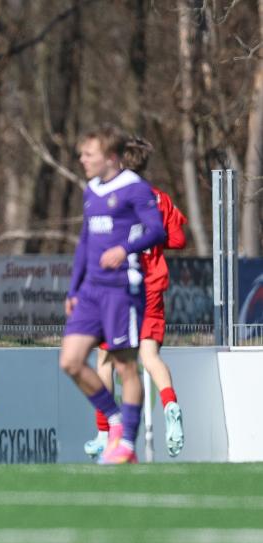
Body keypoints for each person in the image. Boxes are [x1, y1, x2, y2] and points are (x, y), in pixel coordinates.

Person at [61, 124, 165, 465]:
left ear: (110, 157)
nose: (82, 159)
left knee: (125, 367)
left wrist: (125, 248)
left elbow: (157, 230)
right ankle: (116, 420)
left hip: (122, 289)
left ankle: (127, 445)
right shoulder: (91, 190)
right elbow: (85, 242)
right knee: (71, 361)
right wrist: (74, 289)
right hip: (91, 291)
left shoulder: (135, 188)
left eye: (88, 154)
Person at [85, 137, 188, 460]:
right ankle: (170, 405)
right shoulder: (159, 198)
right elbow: (178, 239)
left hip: (121, 287)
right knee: (150, 356)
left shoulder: (111, 197)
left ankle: (105, 432)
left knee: (105, 359)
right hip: (153, 286)